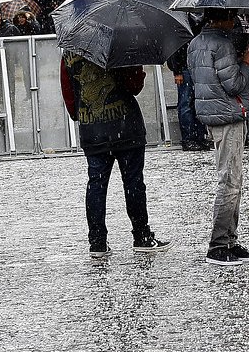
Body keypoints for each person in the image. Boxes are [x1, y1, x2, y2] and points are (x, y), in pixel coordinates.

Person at [60, 50, 172, 259]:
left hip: (93, 129)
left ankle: (97, 241)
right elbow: (134, 86)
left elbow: (68, 91)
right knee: (133, 183)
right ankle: (141, 235)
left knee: (96, 184)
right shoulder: (123, 45)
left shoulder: (71, 50)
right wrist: (138, 69)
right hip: (125, 125)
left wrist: (82, 114)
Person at [188, 8, 249, 267]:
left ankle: (230, 240)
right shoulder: (223, 44)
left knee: (232, 180)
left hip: (213, 115)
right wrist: (247, 64)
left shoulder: (196, 43)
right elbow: (235, 84)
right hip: (228, 116)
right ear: (225, 17)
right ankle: (218, 245)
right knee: (230, 182)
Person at [167, 13, 211, 151]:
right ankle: (189, 138)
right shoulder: (182, 21)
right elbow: (174, 46)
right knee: (186, 103)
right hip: (186, 67)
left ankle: (198, 136)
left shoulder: (200, 21)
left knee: (196, 102)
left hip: (195, 66)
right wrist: (177, 70)